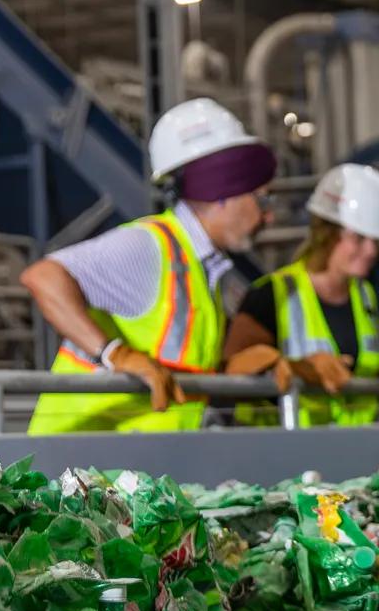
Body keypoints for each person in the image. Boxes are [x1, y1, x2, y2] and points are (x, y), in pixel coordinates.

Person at [21, 98, 276, 433]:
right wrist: (115, 354)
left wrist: (227, 370)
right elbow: (43, 277)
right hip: (76, 464)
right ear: (223, 192)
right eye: (261, 199)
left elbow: (170, 362)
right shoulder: (149, 247)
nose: (268, 215)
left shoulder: (199, 268)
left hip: (132, 468)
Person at [222, 163, 379, 426]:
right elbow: (230, 371)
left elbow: (350, 365)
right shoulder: (273, 294)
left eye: (377, 241)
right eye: (359, 238)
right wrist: (297, 368)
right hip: (283, 454)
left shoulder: (364, 294)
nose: (371, 251)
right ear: (326, 233)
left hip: (351, 452)